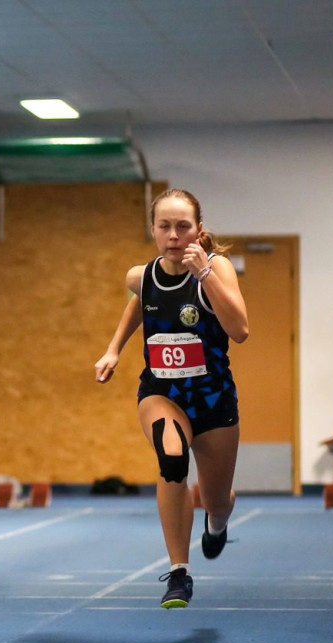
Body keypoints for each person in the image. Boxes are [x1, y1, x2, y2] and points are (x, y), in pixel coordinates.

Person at [94, 188, 249, 609]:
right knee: (172, 459)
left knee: (215, 499)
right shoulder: (140, 276)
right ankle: (179, 573)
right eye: (165, 226)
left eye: (183, 226)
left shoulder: (217, 268)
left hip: (214, 401)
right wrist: (113, 349)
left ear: (198, 230)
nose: (174, 235)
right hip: (163, 393)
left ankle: (217, 523)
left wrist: (204, 277)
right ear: (153, 230)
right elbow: (139, 304)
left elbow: (240, 329)